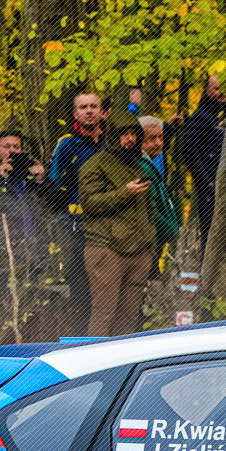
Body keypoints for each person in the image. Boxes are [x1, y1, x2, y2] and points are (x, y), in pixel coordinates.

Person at [0, 129, 55, 331]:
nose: (12, 151)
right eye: (6, 147)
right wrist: (2, 178)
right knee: (0, 309)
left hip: (35, 252)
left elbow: (55, 204)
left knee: (32, 309)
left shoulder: (29, 179)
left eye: (17, 147)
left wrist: (41, 179)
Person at [78, 121, 154, 336]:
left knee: (128, 320)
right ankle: (93, 358)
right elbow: (89, 204)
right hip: (106, 248)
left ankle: (123, 359)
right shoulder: (94, 165)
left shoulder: (139, 167)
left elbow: (149, 209)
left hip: (139, 251)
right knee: (104, 315)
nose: (130, 139)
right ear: (112, 135)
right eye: (124, 133)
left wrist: (150, 246)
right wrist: (124, 193)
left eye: (134, 134)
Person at [49, 91, 107, 327]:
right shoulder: (67, 144)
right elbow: (55, 184)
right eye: (83, 107)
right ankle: (80, 331)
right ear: (75, 113)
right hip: (77, 223)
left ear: (101, 112)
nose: (89, 111)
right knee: (79, 279)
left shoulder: (112, 142)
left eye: (93, 106)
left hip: (110, 220)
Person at [178, 75, 225, 249]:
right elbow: (188, 150)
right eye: (216, 88)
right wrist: (206, 181)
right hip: (209, 187)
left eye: (224, 88)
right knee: (210, 231)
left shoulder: (225, 117)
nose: (221, 93)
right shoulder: (202, 116)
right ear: (206, 91)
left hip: (224, 184)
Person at [139, 116, 182, 271]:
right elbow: (148, 211)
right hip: (144, 245)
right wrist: (173, 230)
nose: (158, 143)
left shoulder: (153, 161)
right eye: (152, 139)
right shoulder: (141, 168)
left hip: (155, 242)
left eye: (161, 138)